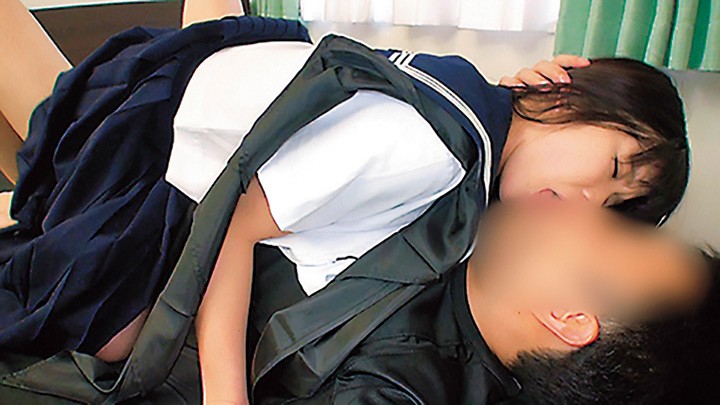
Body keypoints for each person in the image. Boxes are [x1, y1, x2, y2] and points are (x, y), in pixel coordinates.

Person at [0, 1, 692, 403]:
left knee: (48, 154)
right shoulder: (431, 149)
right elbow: (231, 224)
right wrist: (226, 393)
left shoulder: (476, 147)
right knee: (107, 327)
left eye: (611, 205)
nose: (582, 201)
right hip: (173, 130)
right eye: (609, 166)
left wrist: (522, 104)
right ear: (567, 90)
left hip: (224, 91)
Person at [247, 201, 720, 404]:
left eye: (618, 234)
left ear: (568, 316)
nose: (592, 207)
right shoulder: (477, 204)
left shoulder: (385, 387)